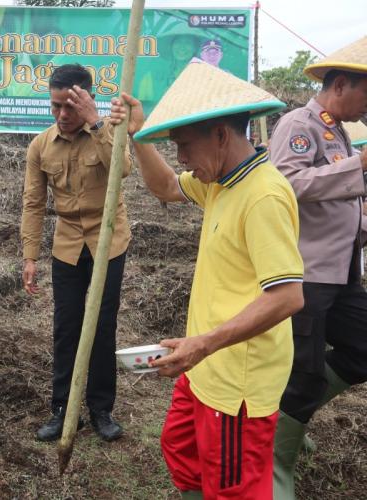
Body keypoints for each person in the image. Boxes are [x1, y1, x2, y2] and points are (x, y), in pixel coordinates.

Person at [109, 59, 304, 498]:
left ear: (220, 135)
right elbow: (164, 188)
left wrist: (203, 343)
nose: (181, 158)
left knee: (233, 489)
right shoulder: (220, 181)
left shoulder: (264, 195)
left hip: (237, 381)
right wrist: (139, 136)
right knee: (180, 450)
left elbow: (288, 297)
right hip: (204, 368)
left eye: (184, 145)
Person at [268, 36, 367, 499]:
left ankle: (293, 418)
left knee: (362, 346)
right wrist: (359, 166)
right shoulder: (298, 124)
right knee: (302, 370)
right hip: (307, 272)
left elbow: (340, 198)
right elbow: (285, 183)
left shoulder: (340, 130)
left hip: (343, 270)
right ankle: (274, 457)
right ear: (341, 84)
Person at [21, 63, 131, 443]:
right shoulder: (40, 145)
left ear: (86, 100)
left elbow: (125, 168)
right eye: (55, 107)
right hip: (67, 244)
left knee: (102, 327)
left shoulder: (109, 130)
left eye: (69, 107)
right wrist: (30, 256)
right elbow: (33, 203)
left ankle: (101, 409)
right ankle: (63, 409)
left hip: (108, 241)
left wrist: (97, 123)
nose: (62, 115)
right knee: (66, 328)